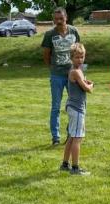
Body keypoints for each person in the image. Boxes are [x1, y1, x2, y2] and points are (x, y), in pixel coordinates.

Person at [41, 7, 80, 146]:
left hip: (72, 74)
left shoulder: (74, 31)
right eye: (56, 19)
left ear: (66, 18)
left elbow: (79, 50)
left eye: (61, 19)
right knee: (56, 107)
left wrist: (79, 70)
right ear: (53, 19)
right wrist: (51, 68)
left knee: (73, 105)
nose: (58, 21)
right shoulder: (49, 34)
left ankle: (71, 133)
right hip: (57, 75)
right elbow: (46, 54)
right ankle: (55, 137)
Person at [60, 43, 93, 176]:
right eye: (77, 57)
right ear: (71, 58)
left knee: (71, 137)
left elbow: (82, 82)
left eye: (82, 57)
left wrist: (86, 81)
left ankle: (64, 164)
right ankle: (75, 168)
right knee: (77, 138)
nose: (80, 59)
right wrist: (91, 85)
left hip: (73, 107)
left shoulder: (78, 71)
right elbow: (87, 89)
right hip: (76, 109)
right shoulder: (75, 71)